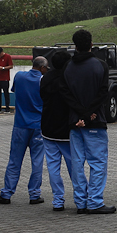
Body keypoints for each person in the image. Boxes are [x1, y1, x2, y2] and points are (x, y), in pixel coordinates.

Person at [64, 29, 116, 214]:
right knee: (98, 163)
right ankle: (94, 201)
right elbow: (103, 93)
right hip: (95, 121)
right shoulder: (100, 65)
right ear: (91, 44)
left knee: (77, 163)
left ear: (75, 46)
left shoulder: (68, 67)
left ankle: (80, 202)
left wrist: (80, 115)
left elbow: (67, 96)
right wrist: (89, 114)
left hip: (74, 122)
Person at [0, 56, 47, 205]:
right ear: (43, 68)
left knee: (14, 159)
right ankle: (34, 194)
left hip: (20, 124)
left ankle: (6, 193)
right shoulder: (43, 81)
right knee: (37, 161)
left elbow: (14, 90)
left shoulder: (19, 76)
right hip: (38, 126)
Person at [39, 50, 74, 210]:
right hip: (66, 130)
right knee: (74, 166)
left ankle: (58, 200)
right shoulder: (69, 78)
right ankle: (81, 196)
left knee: (53, 167)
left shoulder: (45, 78)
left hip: (48, 127)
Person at [0, 47, 13, 111]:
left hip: (5, 78)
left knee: (6, 92)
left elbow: (11, 66)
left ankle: (7, 107)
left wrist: (3, 68)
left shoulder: (7, 56)